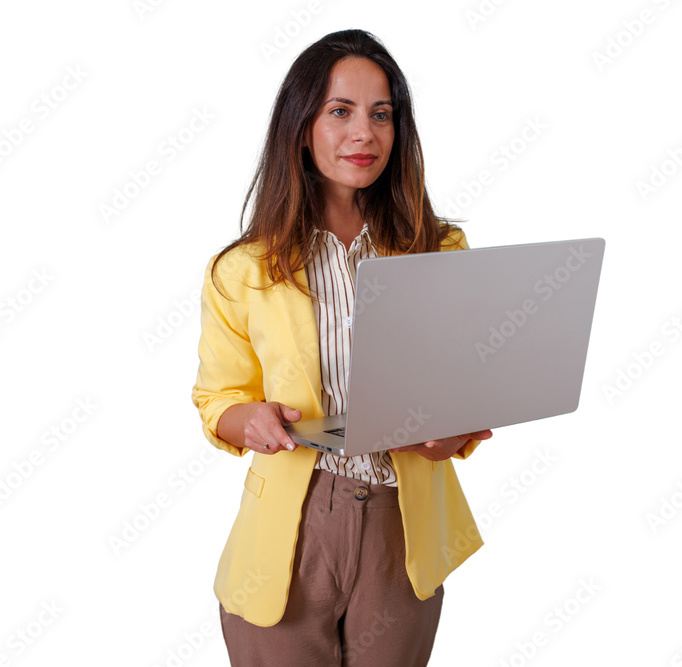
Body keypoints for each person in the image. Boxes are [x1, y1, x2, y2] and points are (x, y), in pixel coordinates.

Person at [191, 28, 493, 666]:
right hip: (290, 534)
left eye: (382, 115)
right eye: (341, 112)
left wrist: (455, 431)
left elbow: (466, 386)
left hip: (402, 527)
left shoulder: (440, 253)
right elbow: (218, 398)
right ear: (301, 127)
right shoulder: (242, 269)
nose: (365, 133)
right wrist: (252, 419)